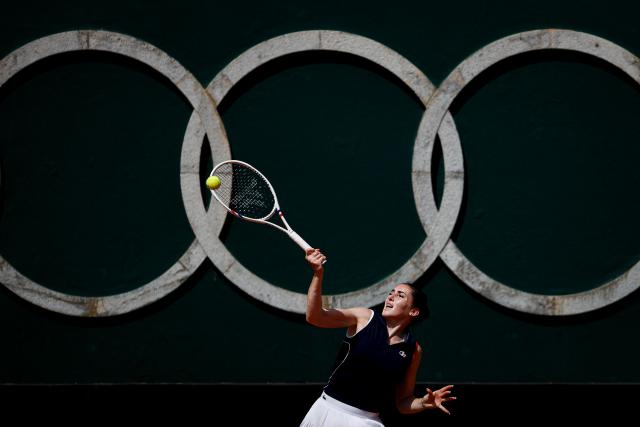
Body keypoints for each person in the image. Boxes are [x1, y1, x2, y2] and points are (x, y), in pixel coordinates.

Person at [300, 248, 456, 426]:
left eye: (400, 295)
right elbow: (315, 317)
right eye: (391, 292)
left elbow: (403, 402)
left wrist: (423, 403)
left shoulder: (413, 350)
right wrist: (318, 273)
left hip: (367, 422)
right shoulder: (364, 318)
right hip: (327, 411)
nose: (391, 297)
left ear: (413, 311)